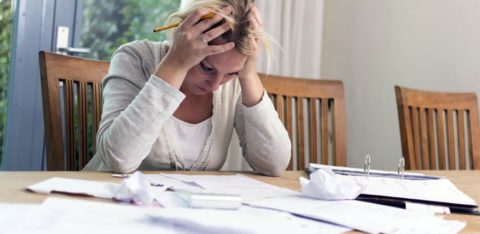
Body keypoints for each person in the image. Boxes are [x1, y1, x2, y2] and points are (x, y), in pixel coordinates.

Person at [83, 0, 291, 176]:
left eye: (231, 73)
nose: (216, 85)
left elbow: (275, 164)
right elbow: (119, 159)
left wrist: (247, 74)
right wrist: (175, 63)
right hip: (107, 208)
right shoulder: (135, 58)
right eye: (207, 68)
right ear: (185, 36)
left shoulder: (236, 82)